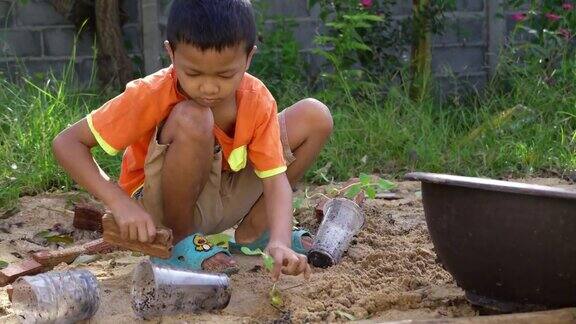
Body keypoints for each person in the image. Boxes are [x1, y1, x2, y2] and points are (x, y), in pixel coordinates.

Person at [52, 0, 333, 281]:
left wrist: (281, 241)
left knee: (315, 115)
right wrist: (120, 203)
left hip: (221, 194)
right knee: (194, 117)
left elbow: (275, 181)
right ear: (171, 53)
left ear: (248, 58)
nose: (209, 87)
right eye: (193, 73)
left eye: (225, 74)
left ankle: (257, 232)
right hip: (160, 206)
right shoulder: (152, 92)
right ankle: (183, 242)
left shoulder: (256, 99)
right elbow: (67, 143)